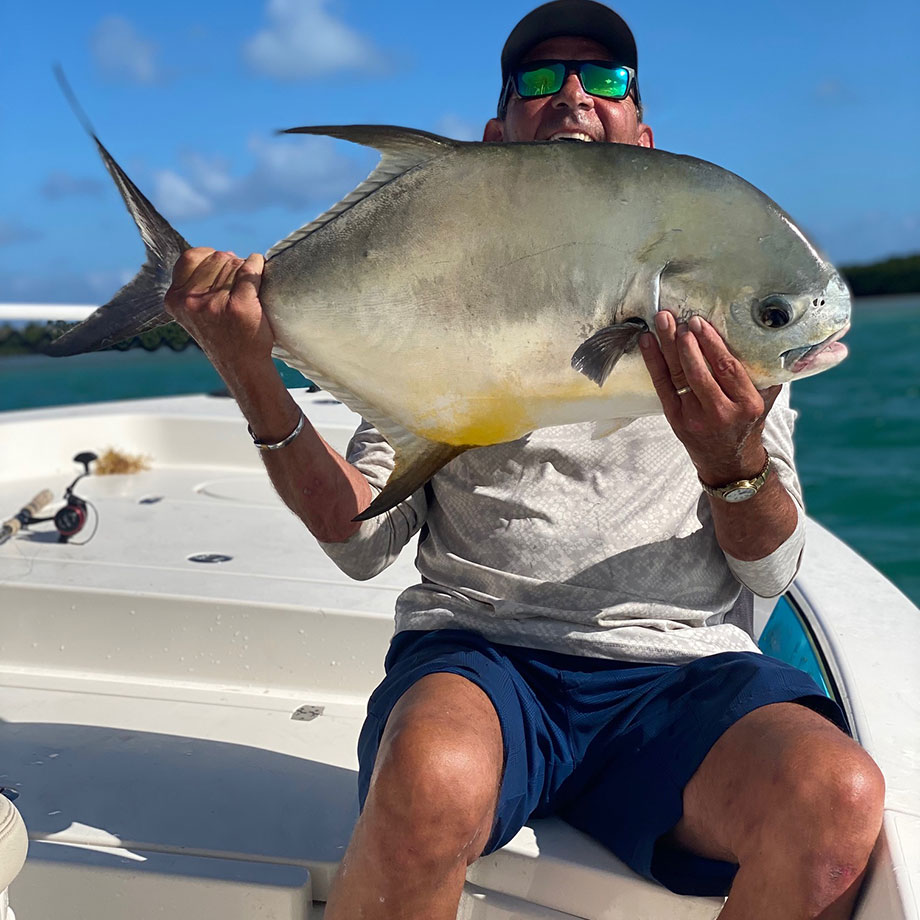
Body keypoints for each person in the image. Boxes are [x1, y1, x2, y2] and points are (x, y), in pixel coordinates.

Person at [163, 2, 884, 917]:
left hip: (682, 673)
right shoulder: (441, 280)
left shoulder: (730, 321)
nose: (576, 93)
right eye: (540, 79)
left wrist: (730, 456)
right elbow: (360, 542)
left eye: (607, 78)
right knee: (429, 779)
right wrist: (251, 372)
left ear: (642, 131)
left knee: (837, 802)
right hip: (481, 658)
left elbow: (770, 565)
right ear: (497, 132)